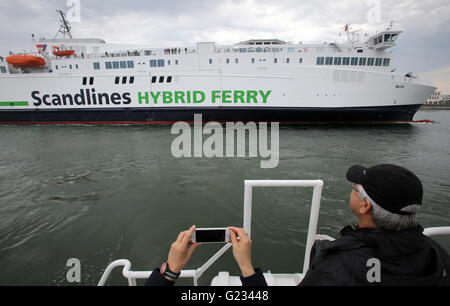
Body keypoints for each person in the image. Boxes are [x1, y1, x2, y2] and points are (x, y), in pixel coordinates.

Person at [146, 164, 450, 286]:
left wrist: (247, 269)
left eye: (356, 189)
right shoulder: (436, 255)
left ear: (364, 205)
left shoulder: (340, 267)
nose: (352, 190)